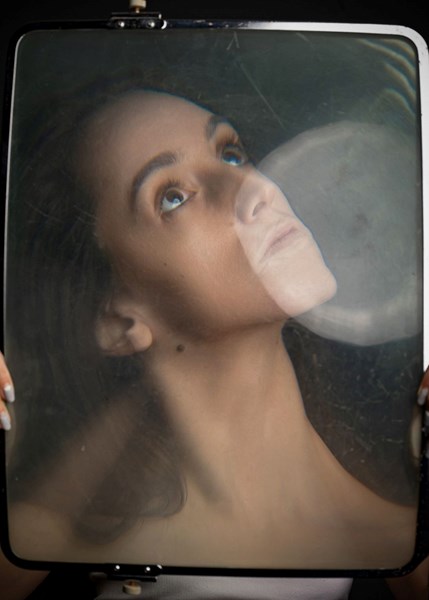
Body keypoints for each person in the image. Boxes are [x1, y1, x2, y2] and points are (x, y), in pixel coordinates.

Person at [0, 84, 423, 594]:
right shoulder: (39, 538)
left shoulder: (403, 546)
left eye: (232, 153)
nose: (255, 188)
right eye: (172, 197)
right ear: (117, 320)